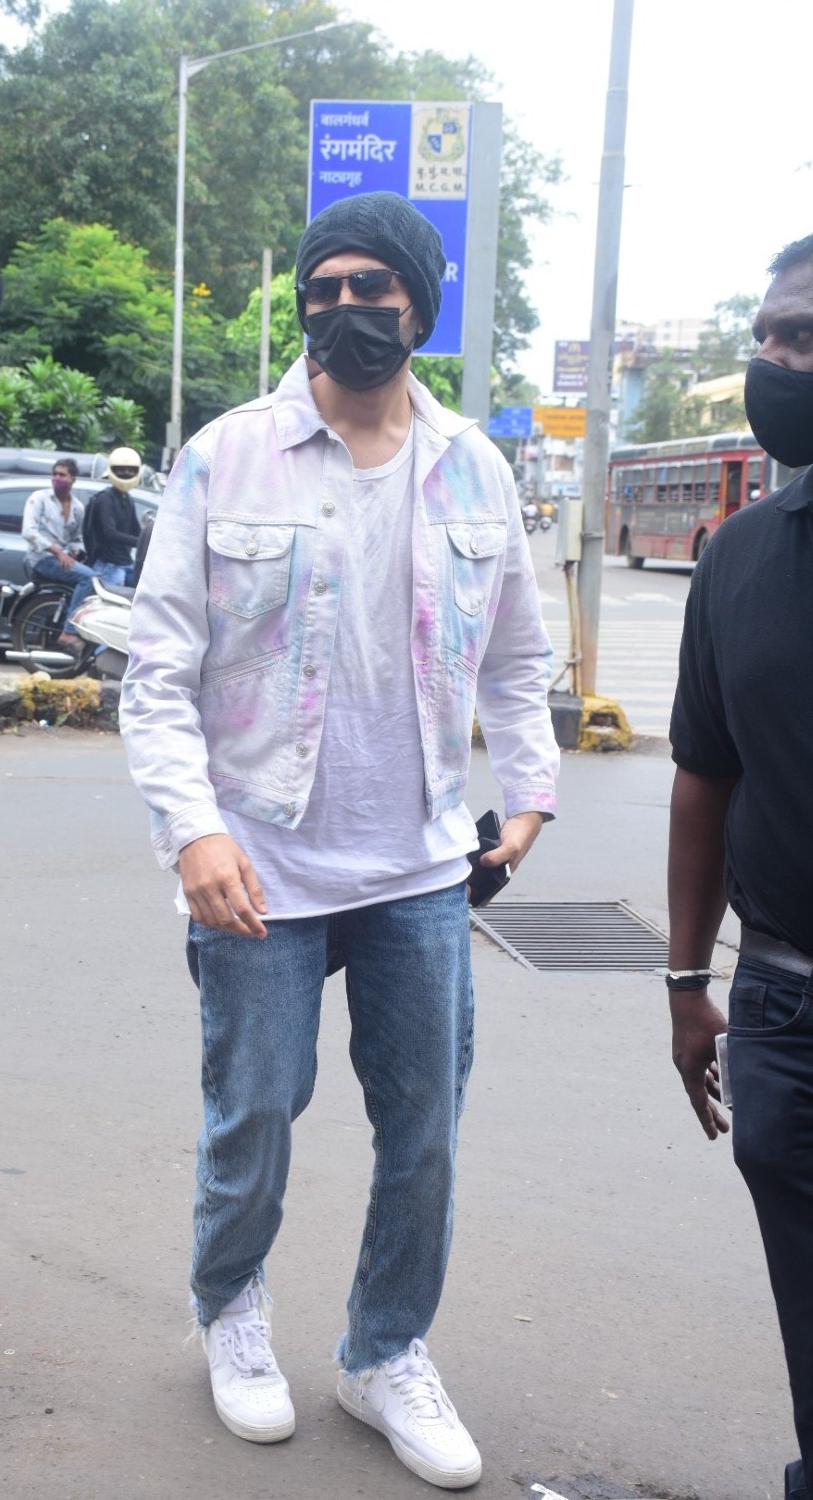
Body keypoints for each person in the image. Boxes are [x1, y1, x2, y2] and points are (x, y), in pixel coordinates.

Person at [121, 191, 559, 1489]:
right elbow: (156, 674)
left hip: (420, 862)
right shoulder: (227, 457)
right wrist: (192, 832)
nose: (350, 307)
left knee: (422, 1126)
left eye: (380, 288)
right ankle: (233, 1313)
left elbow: (521, 664)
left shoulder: (474, 466)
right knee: (254, 1112)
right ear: (306, 297)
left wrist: (525, 802)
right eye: (331, 285)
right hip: (258, 860)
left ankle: (384, 1353)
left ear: (422, 309)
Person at [667, 231, 813, 1500]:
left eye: (804, 337)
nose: (777, 361)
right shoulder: (739, 557)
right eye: (768, 336)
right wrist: (681, 984)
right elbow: (703, 778)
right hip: (783, 1007)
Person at [21, 457, 94, 647]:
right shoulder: (39, 499)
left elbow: (77, 538)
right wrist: (58, 552)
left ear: (73, 479)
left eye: (62, 475)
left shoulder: (77, 507)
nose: (57, 478)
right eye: (54, 474)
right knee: (88, 578)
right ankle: (69, 631)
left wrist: (74, 551)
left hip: (62, 558)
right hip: (42, 558)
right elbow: (29, 532)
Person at [83, 446, 144, 587]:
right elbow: (110, 533)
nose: (126, 473)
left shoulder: (127, 498)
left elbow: (136, 529)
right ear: (112, 470)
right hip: (108, 565)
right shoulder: (105, 498)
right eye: (121, 469)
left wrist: (149, 539)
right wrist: (139, 542)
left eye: (130, 470)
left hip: (125, 562)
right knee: (114, 607)